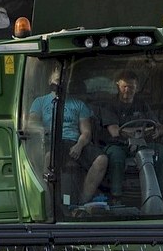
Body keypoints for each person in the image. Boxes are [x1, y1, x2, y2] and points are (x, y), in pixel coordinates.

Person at [28, 75, 107, 206]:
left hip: (74, 142)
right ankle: (50, 204)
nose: (60, 83)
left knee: (101, 160)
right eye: (57, 80)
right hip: (51, 142)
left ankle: (82, 203)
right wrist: (42, 131)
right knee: (49, 158)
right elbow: (32, 123)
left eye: (63, 80)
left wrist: (79, 145)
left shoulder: (79, 104)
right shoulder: (40, 102)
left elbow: (86, 132)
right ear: (50, 81)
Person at [98, 71, 163, 199]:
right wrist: (141, 130)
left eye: (131, 87)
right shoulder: (109, 105)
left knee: (160, 151)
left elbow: (157, 125)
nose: (127, 90)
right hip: (118, 144)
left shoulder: (142, 104)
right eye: (124, 86)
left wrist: (160, 130)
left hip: (142, 144)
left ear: (137, 88)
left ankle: (159, 193)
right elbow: (114, 131)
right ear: (118, 85)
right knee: (116, 157)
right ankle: (116, 196)